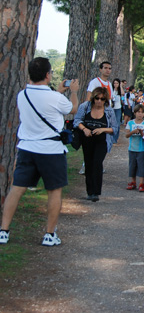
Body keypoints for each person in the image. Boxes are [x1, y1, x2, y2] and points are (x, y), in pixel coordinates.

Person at [0, 58, 79, 247]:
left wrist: (59, 91)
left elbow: (43, 104)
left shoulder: (23, 95)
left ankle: (3, 230)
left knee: (17, 189)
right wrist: (74, 92)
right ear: (47, 75)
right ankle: (49, 234)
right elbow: (73, 109)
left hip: (27, 147)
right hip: (51, 150)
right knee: (54, 191)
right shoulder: (55, 98)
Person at [74, 87, 118, 202]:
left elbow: (114, 128)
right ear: (93, 98)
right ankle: (90, 191)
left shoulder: (109, 110)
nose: (99, 101)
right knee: (88, 164)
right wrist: (84, 129)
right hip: (87, 139)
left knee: (97, 163)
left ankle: (96, 192)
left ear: (105, 100)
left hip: (102, 140)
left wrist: (103, 129)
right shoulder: (85, 107)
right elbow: (77, 121)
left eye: (102, 99)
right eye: (97, 98)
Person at [125, 104, 144, 192]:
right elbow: (127, 135)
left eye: (142, 112)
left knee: (141, 166)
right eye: (138, 112)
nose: (140, 114)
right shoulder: (130, 123)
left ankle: (141, 183)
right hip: (132, 148)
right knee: (132, 166)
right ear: (135, 113)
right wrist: (133, 132)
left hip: (141, 149)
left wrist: (142, 133)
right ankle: (133, 182)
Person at [111, 78, 123, 143]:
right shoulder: (111, 90)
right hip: (112, 108)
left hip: (118, 108)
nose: (115, 84)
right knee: (111, 123)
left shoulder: (119, 91)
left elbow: (123, 93)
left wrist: (120, 86)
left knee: (117, 124)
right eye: (114, 83)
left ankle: (115, 138)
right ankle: (111, 137)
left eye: (117, 83)